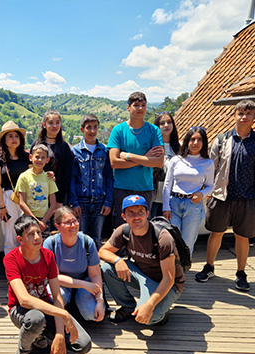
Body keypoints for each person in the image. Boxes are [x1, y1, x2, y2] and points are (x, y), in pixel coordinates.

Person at [4, 215, 92, 354]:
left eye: (38, 232)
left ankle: (39, 336)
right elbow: (24, 299)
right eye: (30, 234)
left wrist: (60, 333)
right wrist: (64, 314)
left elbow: (57, 295)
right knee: (36, 319)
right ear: (20, 239)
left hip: (45, 305)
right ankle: (23, 353)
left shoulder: (48, 256)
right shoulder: (11, 259)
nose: (37, 237)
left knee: (83, 345)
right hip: (20, 310)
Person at [195, 100, 255, 291]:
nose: (244, 117)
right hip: (221, 196)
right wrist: (206, 191)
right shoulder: (222, 139)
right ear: (234, 115)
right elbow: (210, 167)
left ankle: (240, 273)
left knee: (242, 236)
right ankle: (209, 266)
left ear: (254, 117)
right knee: (216, 232)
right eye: (241, 113)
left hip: (248, 197)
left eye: (249, 113)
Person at [99, 195, 185, 325]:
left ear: (147, 214)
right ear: (124, 217)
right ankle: (127, 307)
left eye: (140, 212)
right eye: (130, 213)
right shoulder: (123, 231)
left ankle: (161, 312)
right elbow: (103, 251)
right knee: (107, 268)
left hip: (168, 283)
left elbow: (169, 278)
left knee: (149, 318)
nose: (136, 217)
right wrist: (118, 260)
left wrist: (150, 305)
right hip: (143, 276)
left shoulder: (162, 237)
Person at [107, 92, 164, 228]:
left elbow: (158, 162)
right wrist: (146, 158)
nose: (140, 109)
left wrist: (128, 156)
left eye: (143, 105)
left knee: (142, 228)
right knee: (122, 228)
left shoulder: (153, 130)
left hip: (145, 188)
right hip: (122, 188)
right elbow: (114, 163)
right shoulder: (118, 131)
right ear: (128, 108)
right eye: (136, 105)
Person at [43, 206, 105, 322]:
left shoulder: (87, 242)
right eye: (67, 223)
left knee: (91, 314)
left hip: (85, 281)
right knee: (52, 298)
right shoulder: (50, 243)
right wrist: (82, 284)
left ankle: (77, 306)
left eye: (75, 221)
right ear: (57, 226)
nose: (73, 225)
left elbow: (95, 275)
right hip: (62, 284)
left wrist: (99, 301)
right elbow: (54, 277)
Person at [163, 127, 214, 255]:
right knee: (173, 241)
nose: (195, 143)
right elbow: (167, 184)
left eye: (199, 139)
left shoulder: (207, 163)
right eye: (192, 139)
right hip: (173, 204)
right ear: (187, 141)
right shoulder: (176, 160)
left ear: (204, 142)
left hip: (193, 206)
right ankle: (173, 273)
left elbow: (211, 186)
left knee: (187, 244)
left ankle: (184, 273)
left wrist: (201, 194)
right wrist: (166, 207)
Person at [70, 113, 113, 249]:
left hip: (100, 201)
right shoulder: (75, 151)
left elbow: (109, 178)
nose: (92, 131)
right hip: (81, 202)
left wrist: (108, 201)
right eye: (89, 127)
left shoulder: (104, 151)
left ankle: (97, 269)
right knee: (80, 238)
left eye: (95, 127)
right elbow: (72, 179)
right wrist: (74, 202)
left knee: (97, 239)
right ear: (82, 129)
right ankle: (82, 268)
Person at [0, 121, 30, 255]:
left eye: (16, 136)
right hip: (8, 198)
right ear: (4, 140)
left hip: (26, 198)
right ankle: (11, 269)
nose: (14, 139)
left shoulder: (26, 157)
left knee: (27, 232)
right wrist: (2, 207)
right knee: (10, 235)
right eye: (10, 136)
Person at [31, 109, 74, 207]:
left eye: (57, 122)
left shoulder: (64, 147)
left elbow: (67, 174)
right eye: (51, 123)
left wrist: (59, 199)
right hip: (39, 193)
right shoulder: (36, 144)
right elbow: (30, 168)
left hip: (59, 194)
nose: (55, 126)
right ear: (44, 125)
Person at [15, 144, 58, 239]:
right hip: (28, 219)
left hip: (45, 219)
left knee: (43, 245)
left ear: (47, 160)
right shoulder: (24, 177)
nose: (39, 160)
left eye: (43, 158)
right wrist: (36, 222)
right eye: (37, 157)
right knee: (29, 245)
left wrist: (43, 222)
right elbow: (22, 203)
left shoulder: (48, 177)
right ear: (31, 157)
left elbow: (53, 204)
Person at [150, 112, 181, 218]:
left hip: (173, 197)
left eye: (169, 122)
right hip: (154, 196)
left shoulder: (180, 147)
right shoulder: (152, 147)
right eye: (162, 123)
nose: (166, 125)